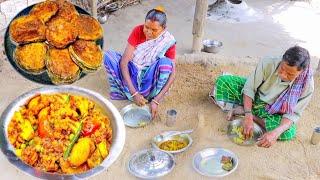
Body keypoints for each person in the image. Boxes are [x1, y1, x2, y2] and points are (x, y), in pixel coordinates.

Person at [211, 46, 314, 148]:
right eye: (282, 68)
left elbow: (293, 114)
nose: (283, 74)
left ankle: (248, 112)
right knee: (222, 82)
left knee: (289, 132)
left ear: (301, 72)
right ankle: (248, 110)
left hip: (274, 111)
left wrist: (275, 133)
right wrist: (248, 115)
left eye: (290, 74)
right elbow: (250, 88)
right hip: (256, 96)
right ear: (282, 60)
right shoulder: (268, 62)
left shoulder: (307, 86)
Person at [104, 6, 176, 119]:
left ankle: (151, 96)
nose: (148, 32)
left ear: (163, 28)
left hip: (150, 78)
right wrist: (134, 93)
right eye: (146, 27)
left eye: (154, 30)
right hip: (132, 71)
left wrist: (156, 101)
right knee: (109, 56)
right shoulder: (137, 31)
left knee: (166, 64)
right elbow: (124, 63)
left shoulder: (168, 41)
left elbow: (173, 74)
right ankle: (129, 93)